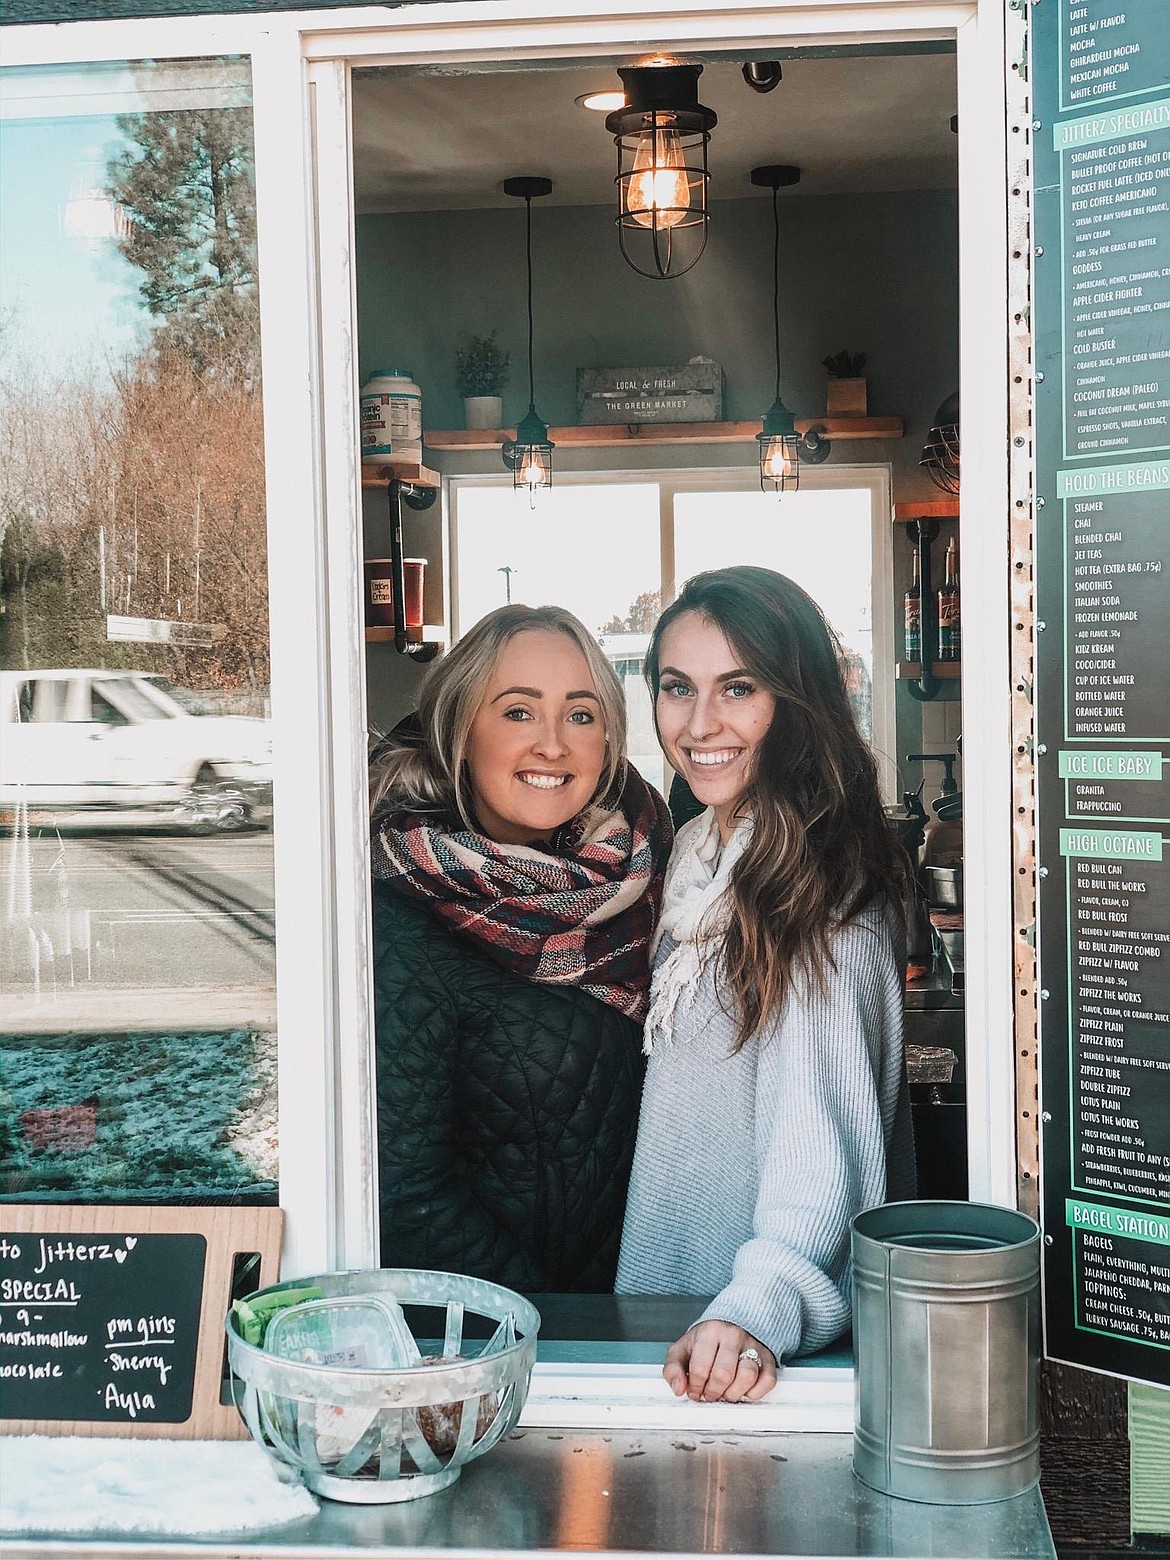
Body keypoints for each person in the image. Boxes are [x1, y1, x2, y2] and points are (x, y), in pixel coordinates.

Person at [616, 566, 914, 1402]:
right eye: (678, 688)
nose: (700, 723)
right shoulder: (701, 857)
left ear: (796, 700)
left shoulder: (822, 900)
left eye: (738, 688)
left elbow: (825, 1146)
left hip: (739, 1356)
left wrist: (759, 1307)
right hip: (670, 1318)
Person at [370, 603, 672, 1292]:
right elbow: (408, 1198)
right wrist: (554, 1328)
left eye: (582, 713)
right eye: (517, 712)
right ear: (459, 730)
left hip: (657, 1306)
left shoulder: (655, 868)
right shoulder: (405, 909)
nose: (554, 745)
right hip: (527, 1339)